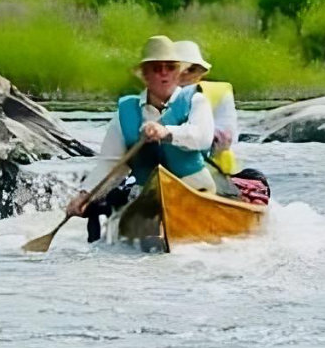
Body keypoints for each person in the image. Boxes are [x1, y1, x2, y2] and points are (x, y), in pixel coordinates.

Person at [65, 36, 230, 226]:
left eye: (170, 67)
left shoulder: (195, 101)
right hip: (147, 199)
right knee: (116, 207)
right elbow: (110, 165)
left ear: (178, 72)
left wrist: (166, 132)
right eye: (156, 68)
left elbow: (202, 138)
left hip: (196, 192)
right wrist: (84, 195)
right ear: (145, 75)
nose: (164, 73)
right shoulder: (126, 112)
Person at [178, 40, 269, 205]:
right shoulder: (153, 97)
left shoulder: (219, 94)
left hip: (211, 169)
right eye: (176, 68)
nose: (184, 75)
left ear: (200, 73)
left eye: (191, 69)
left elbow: (227, 136)